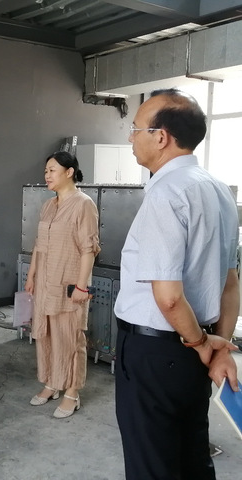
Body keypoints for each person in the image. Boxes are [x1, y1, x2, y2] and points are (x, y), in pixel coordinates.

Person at [114, 88, 240, 480]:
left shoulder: (166, 193)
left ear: (161, 137)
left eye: (136, 129)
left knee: (152, 464)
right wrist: (217, 346)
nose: (130, 137)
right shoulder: (220, 191)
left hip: (157, 353)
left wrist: (202, 344)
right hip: (194, 349)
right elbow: (230, 283)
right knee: (192, 457)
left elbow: (168, 298)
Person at [24, 151, 100, 418]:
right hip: (45, 282)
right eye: (46, 171)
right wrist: (31, 275)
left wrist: (82, 286)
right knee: (45, 334)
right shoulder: (48, 205)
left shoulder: (84, 204)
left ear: (69, 172)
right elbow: (39, 245)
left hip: (68, 282)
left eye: (52, 170)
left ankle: (72, 392)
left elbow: (89, 249)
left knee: (69, 337)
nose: (47, 175)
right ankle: (52, 383)